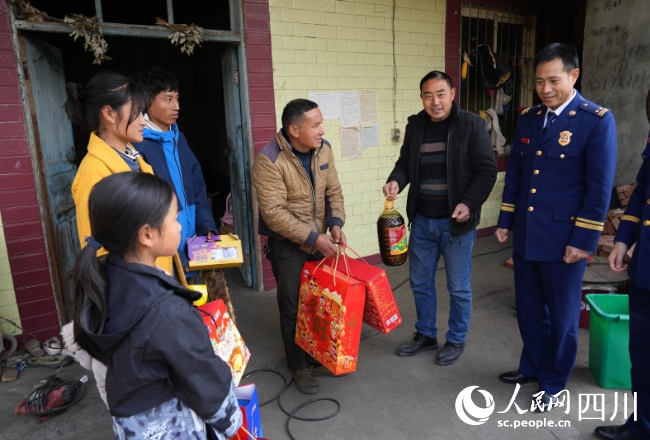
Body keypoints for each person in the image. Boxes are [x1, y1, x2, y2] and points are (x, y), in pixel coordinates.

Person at [72, 172, 242, 439]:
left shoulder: (107, 278)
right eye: (174, 219)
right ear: (147, 235)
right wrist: (233, 419)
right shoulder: (168, 311)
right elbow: (205, 380)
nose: (179, 226)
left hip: (136, 424)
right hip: (175, 426)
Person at [495, 43, 617, 411]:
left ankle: (553, 384)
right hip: (528, 233)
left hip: (565, 239)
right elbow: (516, 174)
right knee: (530, 310)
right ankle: (532, 366)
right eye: (539, 82)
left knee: (562, 317)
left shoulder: (595, 120)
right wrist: (505, 220)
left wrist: (584, 239)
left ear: (573, 76)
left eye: (554, 81)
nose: (545, 89)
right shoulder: (530, 117)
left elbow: (599, 187)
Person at [383, 70, 497, 366]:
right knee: (420, 283)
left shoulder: (471, 125)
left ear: (452, 93)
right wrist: (396, 180)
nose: (435, 101)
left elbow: (487, 171)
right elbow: (404, 164)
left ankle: (456, 339)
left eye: (440, 94)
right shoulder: (415, 126)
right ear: (422, 97)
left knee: (458, 287)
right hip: (422, 220)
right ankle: (426, 335)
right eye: (428, 95)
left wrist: (469, 203)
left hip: (456, 224)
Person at [252, 98, 346, 394]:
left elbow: (333, 191)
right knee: (293, 306)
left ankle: (316, 354)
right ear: (294, 130)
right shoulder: (268, 160)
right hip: (288, 246)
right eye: (315, 124)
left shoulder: (324, 149)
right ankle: (298, 365)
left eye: (321, 123)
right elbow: (274, 214)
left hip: (321, 239)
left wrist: (336, 225)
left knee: (320, 301)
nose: (322, 130)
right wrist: (313, 237)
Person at [132, 67, 232, 316]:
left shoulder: (179, 139)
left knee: (200, 303)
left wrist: (207, 227)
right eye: (168, 99)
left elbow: (198, 187)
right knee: (171, 308)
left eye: (177, 98)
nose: (176, 106)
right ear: (147, 102)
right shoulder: (138, 144)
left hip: (192, 242)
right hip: (163, 244)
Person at [66, 71, 174, 274]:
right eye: (137, 112)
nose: (143, 121)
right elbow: (100, 256)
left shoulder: (134, 157)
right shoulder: (93, 173)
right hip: (138, 291)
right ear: (109, 114)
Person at [595, 91, 650, 440]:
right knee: (642, 356)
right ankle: (641, 426)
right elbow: (641, 195)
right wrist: (621, 240)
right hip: (645, 273)